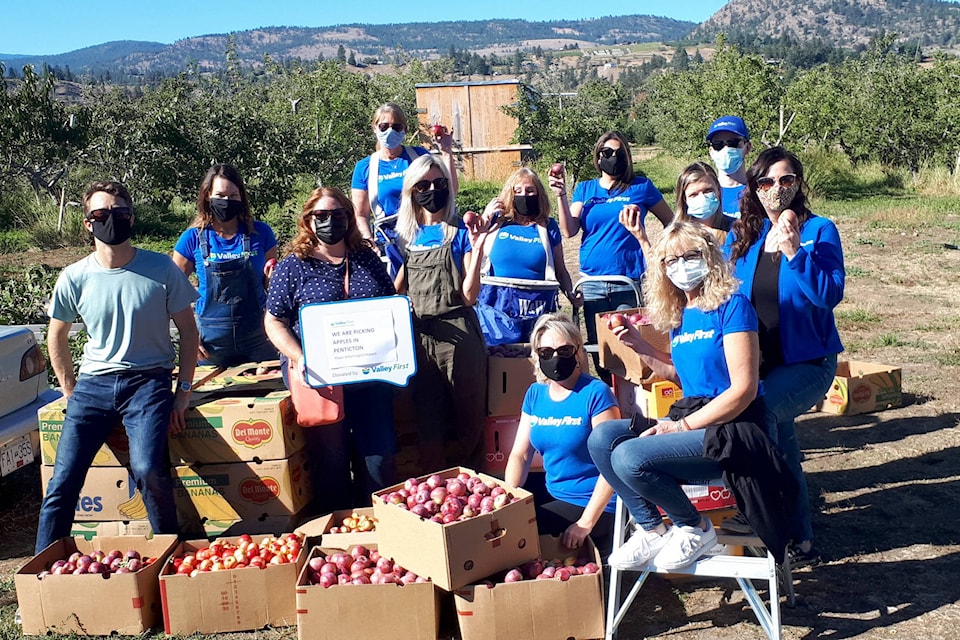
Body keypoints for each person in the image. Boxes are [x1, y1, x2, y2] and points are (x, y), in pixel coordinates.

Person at [587, 221, 772, 571]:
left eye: (690, 255)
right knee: (603, 438)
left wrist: (680, 426)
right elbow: (682, 376)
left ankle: (694, 526)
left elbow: (743, 390)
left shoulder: (733, 307)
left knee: (629, 456)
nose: (681, 266)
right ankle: (651, 528)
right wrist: (639, 346)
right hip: (697, 420)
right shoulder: (681, 315)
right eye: (671, 261)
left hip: (738, 429)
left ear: (710, 258)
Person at [37, 181, 199, 553]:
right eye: (101, 214)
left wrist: (182, 393)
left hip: (148, 383)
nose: (111, 220)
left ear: (131, 218)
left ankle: (168, 556)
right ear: (87, 224)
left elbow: (189, 333)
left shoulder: (160, 268)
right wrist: (69, 391)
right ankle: (42, 574)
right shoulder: (74, 277)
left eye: (120, 213)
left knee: (147, 470)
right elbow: (55, 336)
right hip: (93, 386)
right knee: (62, 481)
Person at [724, 146, 845, 567]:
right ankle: (799, 538)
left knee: (760, 414)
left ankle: (767, 525)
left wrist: (795, 252)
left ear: (799, 183)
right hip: (762, 365)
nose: (778, 189)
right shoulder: (745, 236)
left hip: (808, 364)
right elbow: (721, 294)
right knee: (785, 449)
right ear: (754, 188)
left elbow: (828, 295)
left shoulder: (819, 230)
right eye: (767, 181)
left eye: (787, 179)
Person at [264, 187, 398, 512]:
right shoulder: (293, 266)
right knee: (330, 465)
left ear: (349, 218)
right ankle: (338, 540)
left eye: (337, 215)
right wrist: (299, 358)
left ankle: (382, 531)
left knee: (379, 462)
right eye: (321, 216)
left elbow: (389, 306)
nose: (329, 222)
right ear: (308, 220)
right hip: (320, 381)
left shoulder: (365, 257)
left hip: (371, 379)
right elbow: (274, 321)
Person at [551, 131, 673, 382]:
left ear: (627, 157)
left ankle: (634, 407)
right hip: (593, 283)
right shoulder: (586, 189)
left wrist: (656, 251)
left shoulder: (641, 186)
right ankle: (613, 402)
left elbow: (671, 223)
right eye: (607, 153)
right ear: (598, 157)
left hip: (628, 282)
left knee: (631, 348)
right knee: (602, 352)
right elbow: (569, 230)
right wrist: (561, 195)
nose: (612, 158)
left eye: (619, 153)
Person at [394, 153, 490, 472]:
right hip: (420, 339)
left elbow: (470, 295)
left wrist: (476, 250)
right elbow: (397, 291)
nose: (432, 190)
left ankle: (474, 485)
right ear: (411, 191)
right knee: (428, 421)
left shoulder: (458, 235)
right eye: (423, 184)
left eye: (439, 183)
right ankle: (435, 486)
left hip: (459, 337)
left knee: (469, 417)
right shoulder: (406, 240)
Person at [504, 313, 620, 557]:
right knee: (499, 525)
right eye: (546, 352)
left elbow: (613, 464)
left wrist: (585, 523)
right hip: (555, 491)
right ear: (536, 356)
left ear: (578, 352)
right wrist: (507, 499)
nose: (555, 358)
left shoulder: (596, 394)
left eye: (564, 351)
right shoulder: (535, 394)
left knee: (520, 533)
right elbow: (521, 454)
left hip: (592, 503)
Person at [173, 164, 278, 368]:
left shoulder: (261, 233)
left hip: (259, 338)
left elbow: (273, 289)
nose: (227, 201)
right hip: (211, 345)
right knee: (212, 398)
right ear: (207, 196)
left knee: (272, 397)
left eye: (233, 195)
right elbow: (172, 292)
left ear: (241, 197)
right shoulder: (192, 238)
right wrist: (188, 336)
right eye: (220, 195)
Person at [351, 102, 458, 275]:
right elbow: (360, 214)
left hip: (424, 234)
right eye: (384, 126)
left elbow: (449, 189)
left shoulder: (419, 156)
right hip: (389, 241)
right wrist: (367, 241)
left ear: (404, 130)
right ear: (375, 128)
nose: (390, 131)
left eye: (396, 126)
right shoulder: (365, 167)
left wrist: (446, 152)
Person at [476, 168, 579, 344]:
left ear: (539, 194)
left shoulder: (548, 227)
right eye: (518, 191)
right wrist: (486, 217)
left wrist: (571, 293)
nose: (524, 195)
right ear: (510, 194)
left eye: (530, 190)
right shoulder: (497, 224)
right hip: (497, 310)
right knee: (499, 362)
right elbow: (472, 247)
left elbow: (560, 270)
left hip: (536, 309)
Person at [674, 161, 735, 245]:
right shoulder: (675, 238)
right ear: (684, 199)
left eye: (708, 191)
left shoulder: (737, 230)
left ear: (718, 190)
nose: (702, 198)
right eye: (693, 194)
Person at [705, 115, 753, 219]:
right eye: (718, 145)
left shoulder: (759, 190)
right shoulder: (703, 193)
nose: (726, 149)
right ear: (711, 151)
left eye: (733, 143)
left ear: (748, 147)